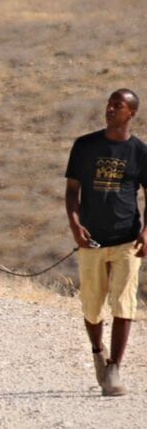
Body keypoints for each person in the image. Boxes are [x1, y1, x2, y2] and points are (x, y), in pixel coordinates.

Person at [64, 89, 147, 397]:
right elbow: (73, 190)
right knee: (92, 305)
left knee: (124, 304)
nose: (110, 109)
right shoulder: (85, 146)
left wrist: (146, 231)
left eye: (118, 105)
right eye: (110, 104)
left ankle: (114, 368)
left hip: (128, 240)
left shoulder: (140, 151)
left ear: (131, 113)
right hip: (91, 241)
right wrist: (75, 224)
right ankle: (98, 351)